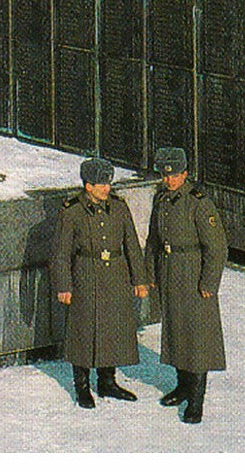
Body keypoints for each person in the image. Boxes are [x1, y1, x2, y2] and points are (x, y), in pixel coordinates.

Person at [51, 156, 151, 408]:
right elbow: (61, 253)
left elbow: (131, 245)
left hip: (116, 275)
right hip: (86, 274)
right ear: (88, 186)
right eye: (101, 184)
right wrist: (64, 285)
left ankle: (107, 381)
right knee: (83, 331)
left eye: (108, 183)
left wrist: (139, 280)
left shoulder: (119, 207)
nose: (106, 188)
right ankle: (82, 386)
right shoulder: (72, 211)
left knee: (112, 329)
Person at [147, 147, 227, 424]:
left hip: (193, 273)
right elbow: (152, 241)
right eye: (165, 176)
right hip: (170, 271)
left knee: (197, 338)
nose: (169, 180)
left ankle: (196, 400)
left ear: (185, 174)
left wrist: (209, 281)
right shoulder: (161, 199)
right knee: (176, 332)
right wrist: (151, 273)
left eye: (175, 176)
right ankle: (182, 386)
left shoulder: (199, 202)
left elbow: (217, 247)